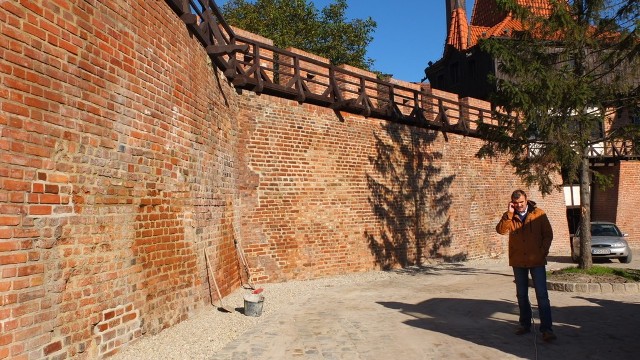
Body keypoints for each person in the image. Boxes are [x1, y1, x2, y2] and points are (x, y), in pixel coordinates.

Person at [496, 189, 556, 342]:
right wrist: (509, 213)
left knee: (542, 295)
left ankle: (547, 329)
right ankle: (524, 324)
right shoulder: (511, 215)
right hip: (518, 261)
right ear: (512, 203)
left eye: (521, 203)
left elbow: (548, 234)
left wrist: (542, 252)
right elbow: (501, 230)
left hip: (537, 261)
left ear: (526, 200)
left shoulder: (539, 214)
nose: (519, 206)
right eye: (516, 203)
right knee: (521, 295)